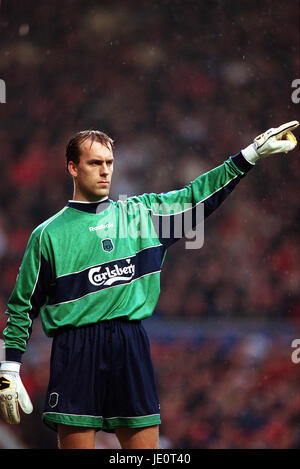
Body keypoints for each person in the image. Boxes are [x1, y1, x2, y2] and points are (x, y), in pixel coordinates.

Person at [0, 121, 298, 449]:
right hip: (75, 349)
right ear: (72, 167)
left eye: (109, 163)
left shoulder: (142, 214)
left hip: (131, 344)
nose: (104, 171)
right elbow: (22, 307)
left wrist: (248, 155)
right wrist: (10, 366)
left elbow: (196, 197)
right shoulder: (48, 235)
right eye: (94, 163)